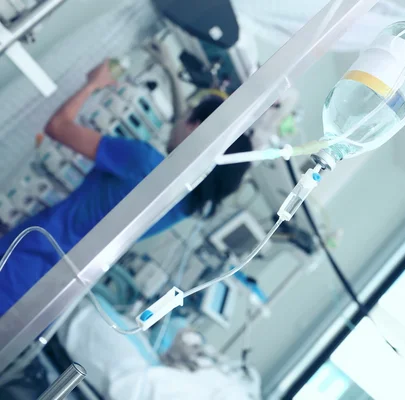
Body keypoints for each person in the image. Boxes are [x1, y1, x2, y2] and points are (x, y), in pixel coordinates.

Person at [0, 60, 252, 316]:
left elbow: (58, 127)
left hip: (24, 260)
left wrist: (94, 84)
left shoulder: (144, 162)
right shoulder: (183, 206)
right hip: (49, 294)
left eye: (187, 115)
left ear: (195, 127)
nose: (179, 121)